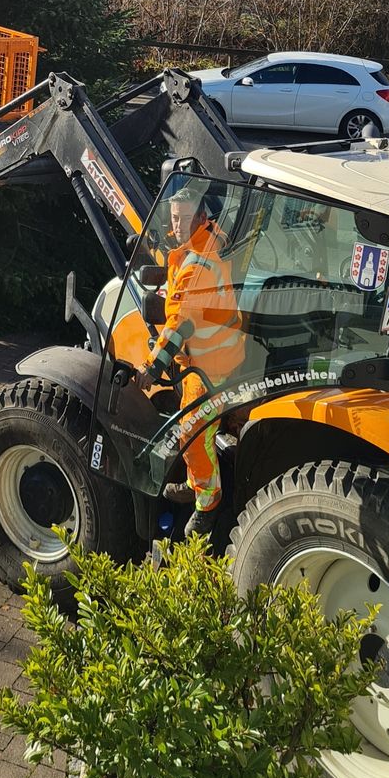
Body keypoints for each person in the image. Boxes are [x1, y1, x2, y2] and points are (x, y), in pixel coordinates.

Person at [137, 188, 243, 539]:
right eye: (173, 217)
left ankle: (207, 505)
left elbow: (180, 323)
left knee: (192, 433)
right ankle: (195, 480)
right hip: (212, 354)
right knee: (192, 423)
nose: (177, 225)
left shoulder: (198, 267)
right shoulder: (211, 238)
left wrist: (151, 369)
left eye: (184, 218)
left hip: (211, 366)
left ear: (200, 217)